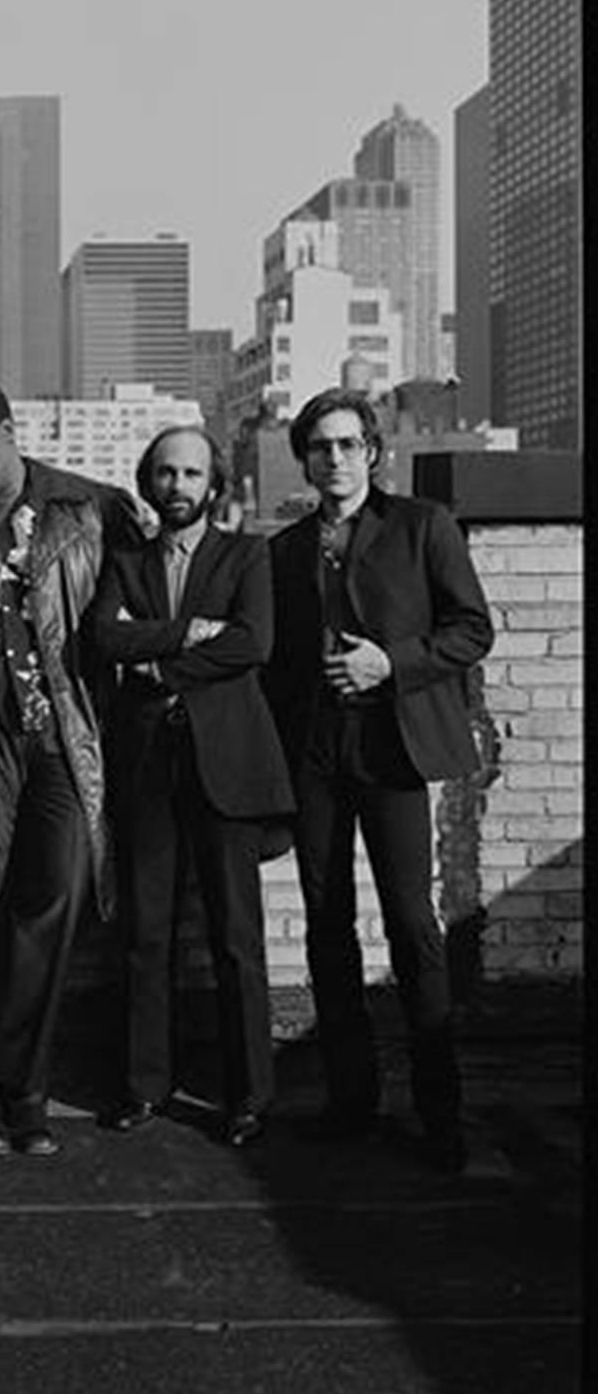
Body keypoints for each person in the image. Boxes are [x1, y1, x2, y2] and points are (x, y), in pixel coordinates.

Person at [264, 388, 493, 1173]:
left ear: (373, 453)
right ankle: (350, 1100)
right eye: (320, 446)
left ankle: (440, 1112)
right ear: (304, 457)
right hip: (315, 753)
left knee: (411, 924)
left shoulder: (422, 527)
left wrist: (389, 662)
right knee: (328, 925)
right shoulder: (284, 549)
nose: (335, 457)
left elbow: (472, 629)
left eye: (349, 444)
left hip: (394, 746)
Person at [0, 379, 143, 1157]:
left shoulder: (89, 507)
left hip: (65, 729)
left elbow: (147, 587)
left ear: (10, 430)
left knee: (58, 892)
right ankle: (26, 1095)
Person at [92, 427, 294, 1147]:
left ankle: (249, 1096)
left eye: (191, 473)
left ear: (213, 484)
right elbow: (102, 637)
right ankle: (145, 1086)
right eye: (166, 472)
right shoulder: (126, 560)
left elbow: (253, 643)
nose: (178, 485)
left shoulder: (248, 554)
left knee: (236, 935)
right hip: (148, 768)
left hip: (227, 768)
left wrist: (163, 665)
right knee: (145, 934)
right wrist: (185, 634)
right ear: (149, 481)